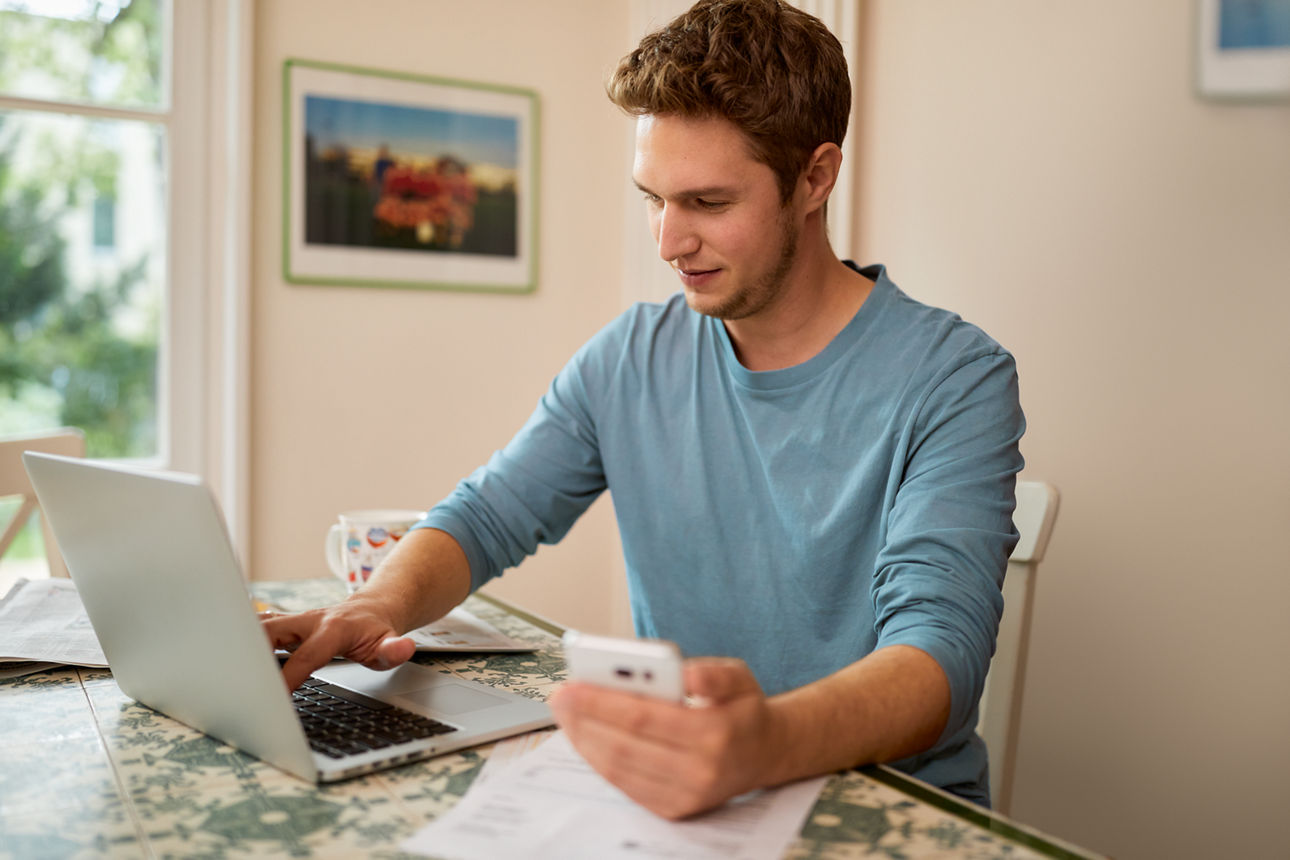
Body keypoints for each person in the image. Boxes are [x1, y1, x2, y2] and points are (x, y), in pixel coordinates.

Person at [264, 0, 1024, 818]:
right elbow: (485, 516)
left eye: (706, 203)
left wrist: (762, 743)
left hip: (890, 810)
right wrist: (375, 605)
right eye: (653, 199)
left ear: (815, 177)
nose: (667, 241)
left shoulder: (956, 378)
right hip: (690, 807)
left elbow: (938, 656)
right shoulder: (632, 355)